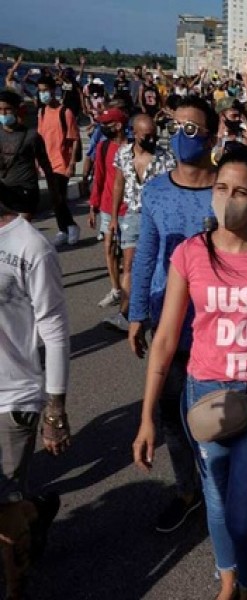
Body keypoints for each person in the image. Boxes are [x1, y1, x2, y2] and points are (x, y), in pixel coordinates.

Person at [133, 146, 247, 600]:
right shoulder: (191, 254)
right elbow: (166, 340)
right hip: (205, 393)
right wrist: (146, 417)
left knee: (245, 513)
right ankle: (229, 579)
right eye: (220, 188)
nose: (227, 198)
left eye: (239, 191)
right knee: (216, 501)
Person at [129, 96, 219, 533]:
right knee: (170, 415)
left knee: (215, 419)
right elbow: (146, 252)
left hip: (216, 328)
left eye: (191, 129)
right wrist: (136, 311)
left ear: (212, 137)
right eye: (176, 127)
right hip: (167, 320)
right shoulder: (156, 190)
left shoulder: (229, 192)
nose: (180, 136)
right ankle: (188, 490)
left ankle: (219, 489)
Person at [0, 181, 70, 600]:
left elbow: (56, 331)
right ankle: (37, 512)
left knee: (4, 516)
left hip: (12, 396)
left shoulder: (29, 246)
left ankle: (16, 588)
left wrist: (55, 410)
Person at [102, 114, 175, 332]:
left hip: (157, 217)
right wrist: (114, 218)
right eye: (146, 136)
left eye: (154, 135)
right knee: (130, 266)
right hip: (132, 215)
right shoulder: (123, 154)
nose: (152, 140)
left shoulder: (166, 158)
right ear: (135, 133)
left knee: (158, 265)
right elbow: (118, 185)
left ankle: (158, 310)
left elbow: (172, 191)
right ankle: (126, 314)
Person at [88, 108, 129, 310]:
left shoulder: (132, 149)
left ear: (119, 126)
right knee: (110, 249)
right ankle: (115, 290)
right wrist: (93, 206)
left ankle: (131, 294)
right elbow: (99, 178)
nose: (102, 128)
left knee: (130, 256)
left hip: (129, 211)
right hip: (106, 208)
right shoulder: (103, 147)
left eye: (106, 123)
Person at [36, 76, 81, 247]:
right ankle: (63, 229)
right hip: (46, 161)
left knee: (59, 198)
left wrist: (71, 164)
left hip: (62, 162)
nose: (43, 94)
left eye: (45, 90)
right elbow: (40, 138)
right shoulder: (41, 112)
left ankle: (71, 226)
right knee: (56, 200)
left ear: (53, 90)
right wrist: (37, 160)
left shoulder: (65, 112)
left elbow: (75, 138)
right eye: (40, 91)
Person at [0, 90, 54, 220]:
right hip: (3, 190)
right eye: (0, 109)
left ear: (17, 110)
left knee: (21, 233)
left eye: (7, 109)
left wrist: (55, 193)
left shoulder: (32, 136)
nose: (3, 113)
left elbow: (46, 165)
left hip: (25, 192)